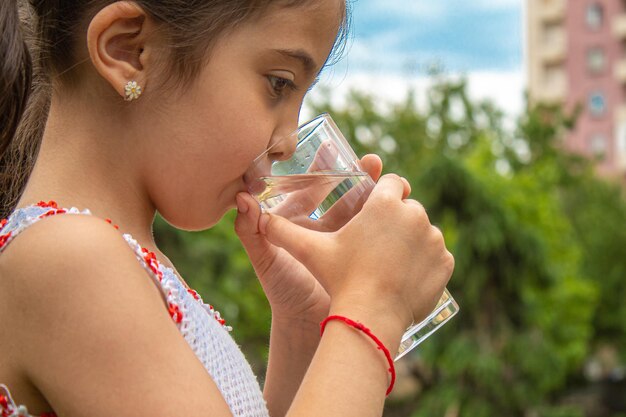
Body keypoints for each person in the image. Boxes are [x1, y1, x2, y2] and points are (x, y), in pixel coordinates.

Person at [0, 0, 454, 416]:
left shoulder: (111, 259)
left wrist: (303, 323)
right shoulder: (70, 261)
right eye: (280, 83)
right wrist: (373, 304)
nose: (289, 141)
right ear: (130, 50)